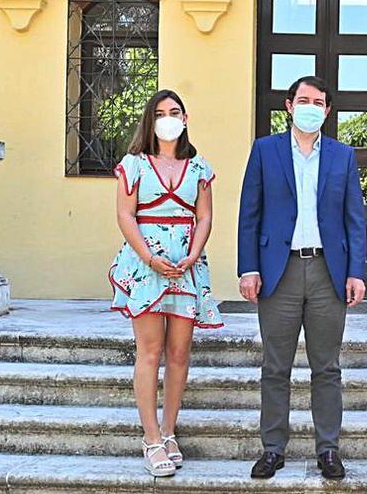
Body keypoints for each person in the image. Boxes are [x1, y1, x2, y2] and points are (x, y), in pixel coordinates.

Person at [237, 75, 366, 480]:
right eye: (303, 99)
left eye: (319, 102)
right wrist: (249, 267)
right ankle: (273, 448)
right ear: (289, 106)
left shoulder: (343, 156)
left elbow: (354, 219)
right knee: (276, 367)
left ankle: (328, 448)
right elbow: (249, 213)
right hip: (281, 271)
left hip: (329, 272)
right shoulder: (265, 150)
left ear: (327, 111)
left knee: (326, 367)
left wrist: (356, 272)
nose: (311, 107)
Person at [108, 89, 223, 477]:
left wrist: (192, 253)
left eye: (175, 111)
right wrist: (149, 257)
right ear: (150, 120)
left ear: (186, 119)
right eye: (160, 112)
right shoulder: (134, 164)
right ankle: (151, 437)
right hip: (146, 262)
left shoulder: (199, 168)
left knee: (179, 353)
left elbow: (204, 217)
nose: (168, 118)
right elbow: (125, 215)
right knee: (150, 352)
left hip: (187, 264)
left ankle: (170, 430)